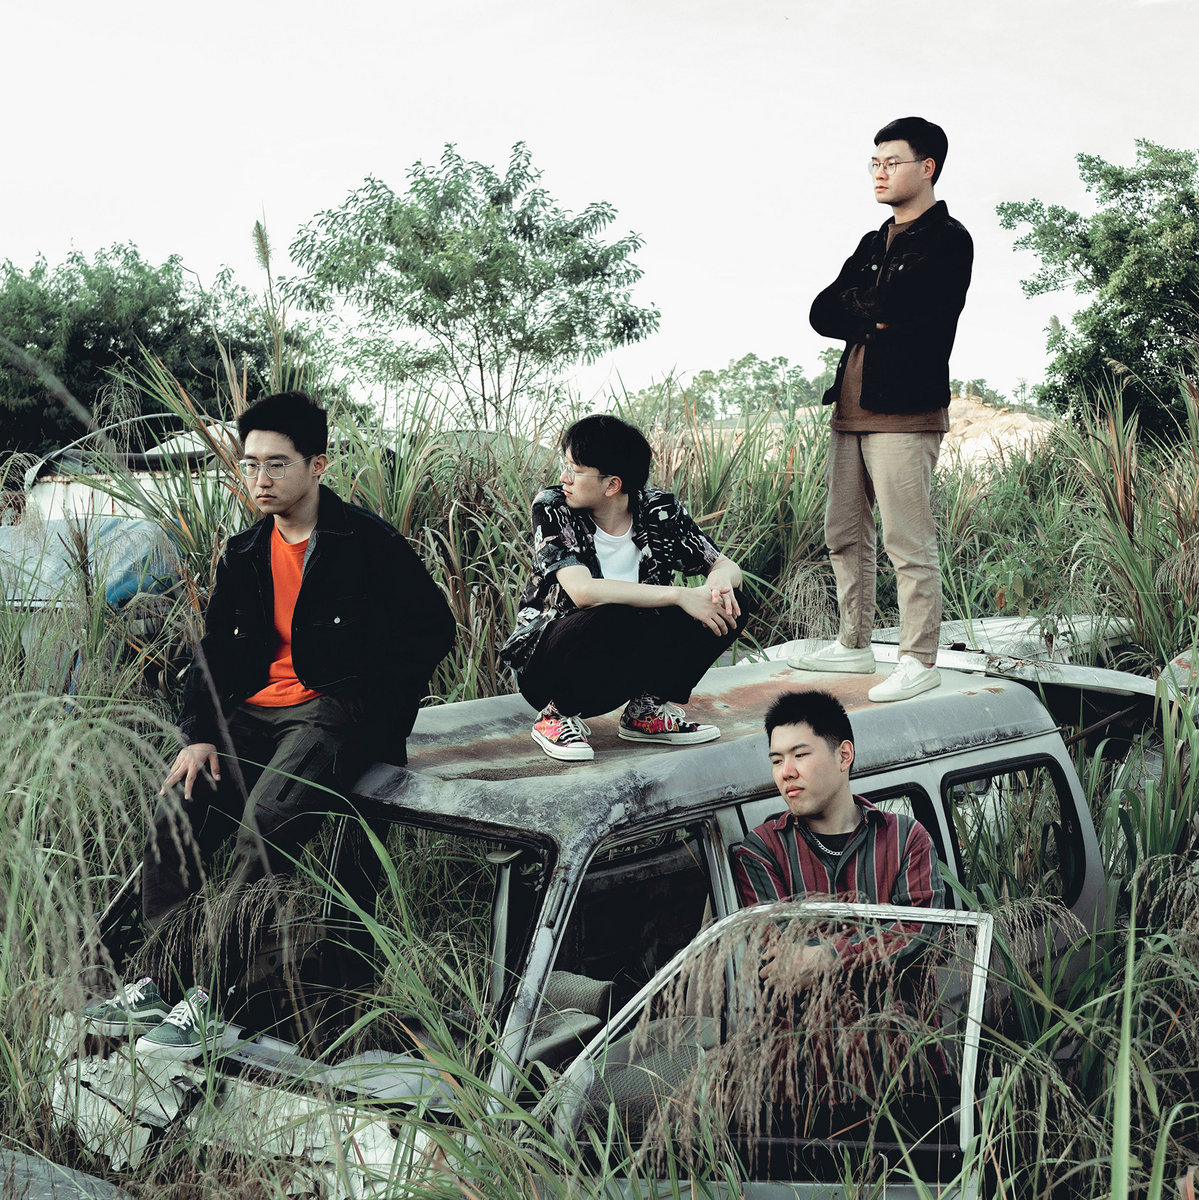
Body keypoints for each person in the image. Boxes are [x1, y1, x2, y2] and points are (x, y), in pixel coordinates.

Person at [83, 392, 455, 1057]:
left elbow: (433, 629)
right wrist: (199, 734)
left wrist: (374, 706)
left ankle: (213, 997)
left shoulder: (365, 543)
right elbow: (214, 651)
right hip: (252, 711)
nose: (260, 479)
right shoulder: (245, 551)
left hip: (332, 709)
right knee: (177, 810)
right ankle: (159, 981)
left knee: (268, 820)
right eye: (250, 464)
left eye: (277, 464)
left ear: (317, 465)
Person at [790, 116, 973, 702]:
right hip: (850, 408)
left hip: (905, 409)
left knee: (907, 542)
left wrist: (868, 308)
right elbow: (822, 311)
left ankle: (919, 659)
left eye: (892, 162)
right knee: (843, 531)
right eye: (874, 163)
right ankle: (854, 643)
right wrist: (874, 311)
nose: (879, 172)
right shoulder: (874, 241)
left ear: (928, 167)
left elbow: (909, 307)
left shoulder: (948, 239)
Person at [500, 413, 749, 762]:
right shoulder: (553, 506)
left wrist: (719, 580)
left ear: (612, 485)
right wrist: (679, 595)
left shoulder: (658, 510)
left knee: (732, 603)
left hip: (621, 664)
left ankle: (645, 712)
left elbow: (724, 565)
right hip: (548, 666)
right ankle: (554, 717)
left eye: (575, 470)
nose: (564, 478)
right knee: (615, 612)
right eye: (565, 466)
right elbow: (583, 592)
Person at [732, 689, 944, 973]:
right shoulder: (764, 849)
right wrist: (873, 942)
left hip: (895, 1003)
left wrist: (830, 956)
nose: (786, 772)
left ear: (844, 756)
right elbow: (780, 955)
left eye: (800, 754)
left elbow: (922, 931)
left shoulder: (905, 838)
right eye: (777, 760)